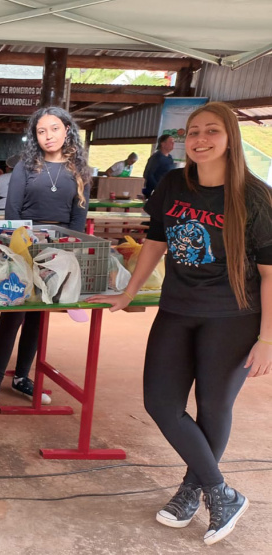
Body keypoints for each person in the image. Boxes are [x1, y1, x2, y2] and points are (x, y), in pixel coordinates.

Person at [89, 102, 272, 546]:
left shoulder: (256, 195)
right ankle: (221, 491)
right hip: (176, 310)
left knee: (213, 408)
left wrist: (268, 338)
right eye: (193, 132)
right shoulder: (173, 183)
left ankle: (194, 490)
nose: (200, 140)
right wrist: (129, 292)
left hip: (234, 318)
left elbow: (270, 273)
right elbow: (155, 241)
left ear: (230, 137)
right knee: (161, 404)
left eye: (211, 131)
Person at [0, 106, 91, 414]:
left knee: (38, 315)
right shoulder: (27, 166)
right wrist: (24, 249)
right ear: (34, 136)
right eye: (41, 131)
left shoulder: (78, 169)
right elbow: (13, 212)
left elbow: (78, 216)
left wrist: (65, 250)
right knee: (13, 314)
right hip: (23, 247)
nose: (48, 136)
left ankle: (22, 376)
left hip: (57, 252)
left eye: (53, 129)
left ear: (66, 130)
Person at [142, 134, 176, 198]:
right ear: (163, 144)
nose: (173, 144)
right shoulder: (156, 157)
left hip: (166, 191)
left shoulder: (170, 158)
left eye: (173, 142)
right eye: (170, 142)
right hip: (154, 192)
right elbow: (148, 174)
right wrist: (158, 187)